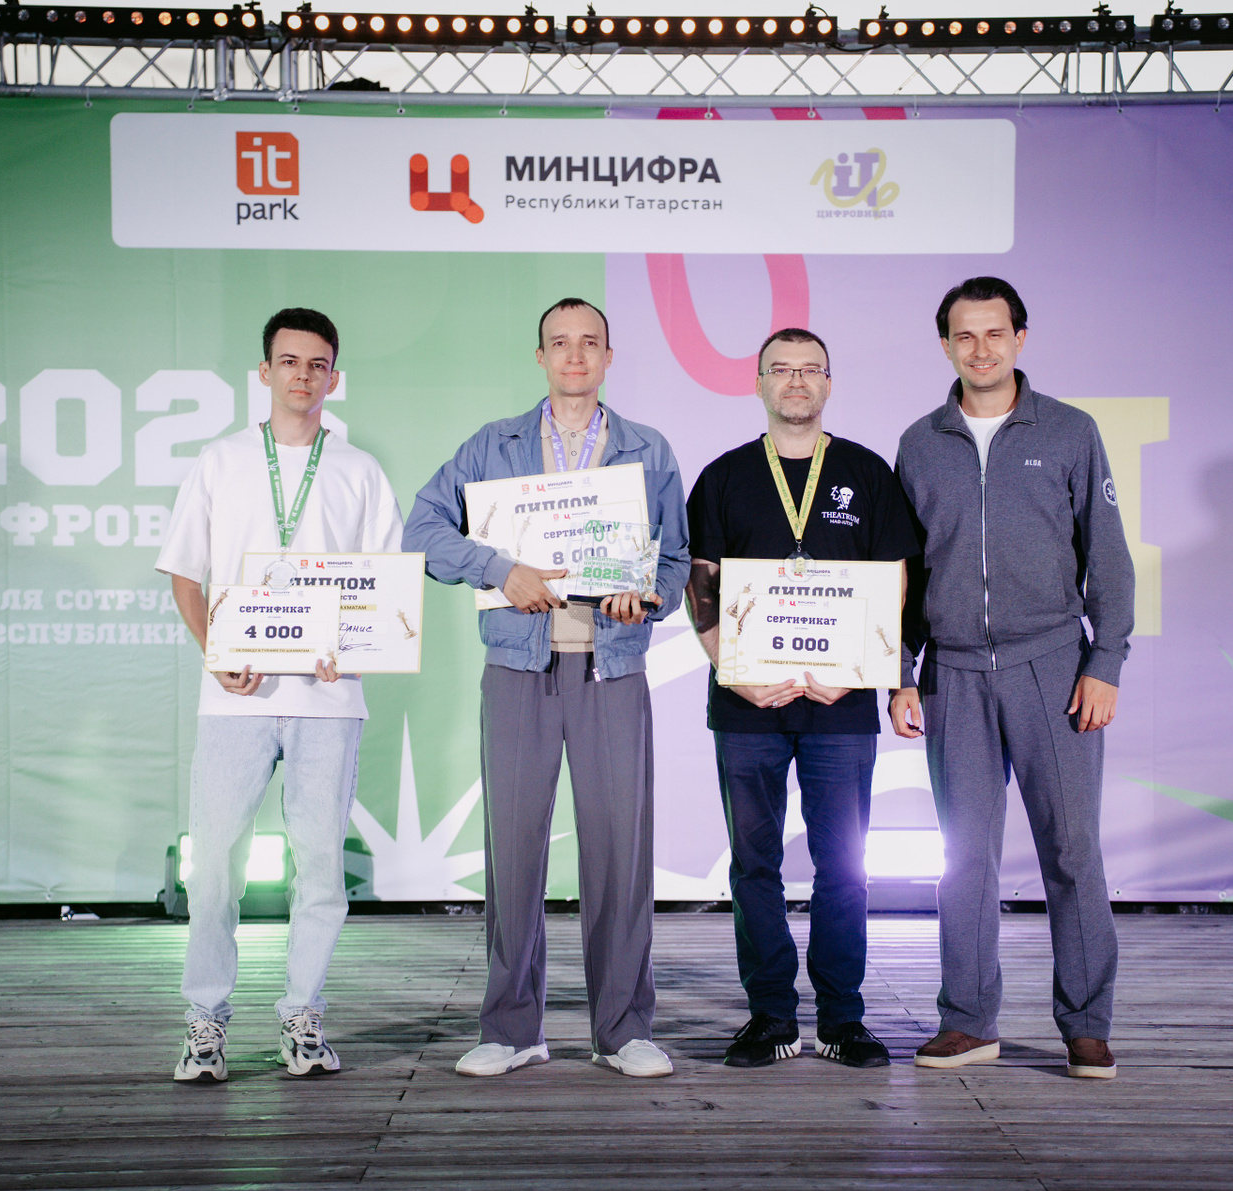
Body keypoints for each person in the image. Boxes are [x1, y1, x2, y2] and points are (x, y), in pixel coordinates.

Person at [403, 298, 690, 1079]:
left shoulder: (648, 449)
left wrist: (647, 594)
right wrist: (499, 569)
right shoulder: (492, 445)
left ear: (608, 356)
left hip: (612, 668)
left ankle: (622, 1030)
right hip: (518, 668)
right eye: (559, 343)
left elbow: (673, 559)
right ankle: (511, 1028)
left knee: (620, 851)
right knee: (514, 847)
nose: (574, 355)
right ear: (540, 357)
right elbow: (422, 531)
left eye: (589, 342)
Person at [891, 277, 1134, 1081]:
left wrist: (1105, 663)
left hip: (1052, 667)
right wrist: (901, 673)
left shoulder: (1069, 432)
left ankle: (1087, 1025)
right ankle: (968, 1021)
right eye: (964, 335)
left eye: (995, 333)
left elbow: (1108, 557)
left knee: (1071, 850)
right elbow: (905, 575)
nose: (981, 348)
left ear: (1020, 338)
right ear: (946, 345)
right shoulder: (921, 443)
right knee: (964, 856)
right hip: (953, 673)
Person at [156, 307, 404, 1083]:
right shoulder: (222, 461)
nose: (303, 375)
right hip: (236, 696)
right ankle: (205, 1021)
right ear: (264, 372)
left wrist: (352, 649)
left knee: (322, 865)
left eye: (317, 363)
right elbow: (185, 573)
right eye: (289, 362)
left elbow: (385, 590)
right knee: (213, 866)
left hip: (329, 699)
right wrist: (216, 652)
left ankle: (303, 1015)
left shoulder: (360, 471)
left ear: (335, 376)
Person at [684, 327, 921, 1070]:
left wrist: (863, 669)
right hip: (747, 704)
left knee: (843, 865)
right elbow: (701, 585)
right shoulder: (724, 476)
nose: (795, 381)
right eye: (780, 370)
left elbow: (895, 581)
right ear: (758, 383)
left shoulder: (866, 472)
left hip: (840, 704)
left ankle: (842, 1019)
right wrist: (733, 670)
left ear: (828, 382)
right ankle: (771, 1016)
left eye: (809, 369)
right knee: (753, 864)